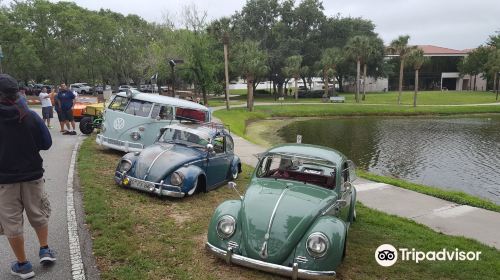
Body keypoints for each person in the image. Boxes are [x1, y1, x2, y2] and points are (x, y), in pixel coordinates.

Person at [0, 74, 56, 279]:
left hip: (4, 181)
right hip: (32, 175)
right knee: (38, 213)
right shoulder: (29, 115)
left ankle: (23, 265)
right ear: (17, 93)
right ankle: (44, 249)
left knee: (11, 222)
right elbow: (46, 143)